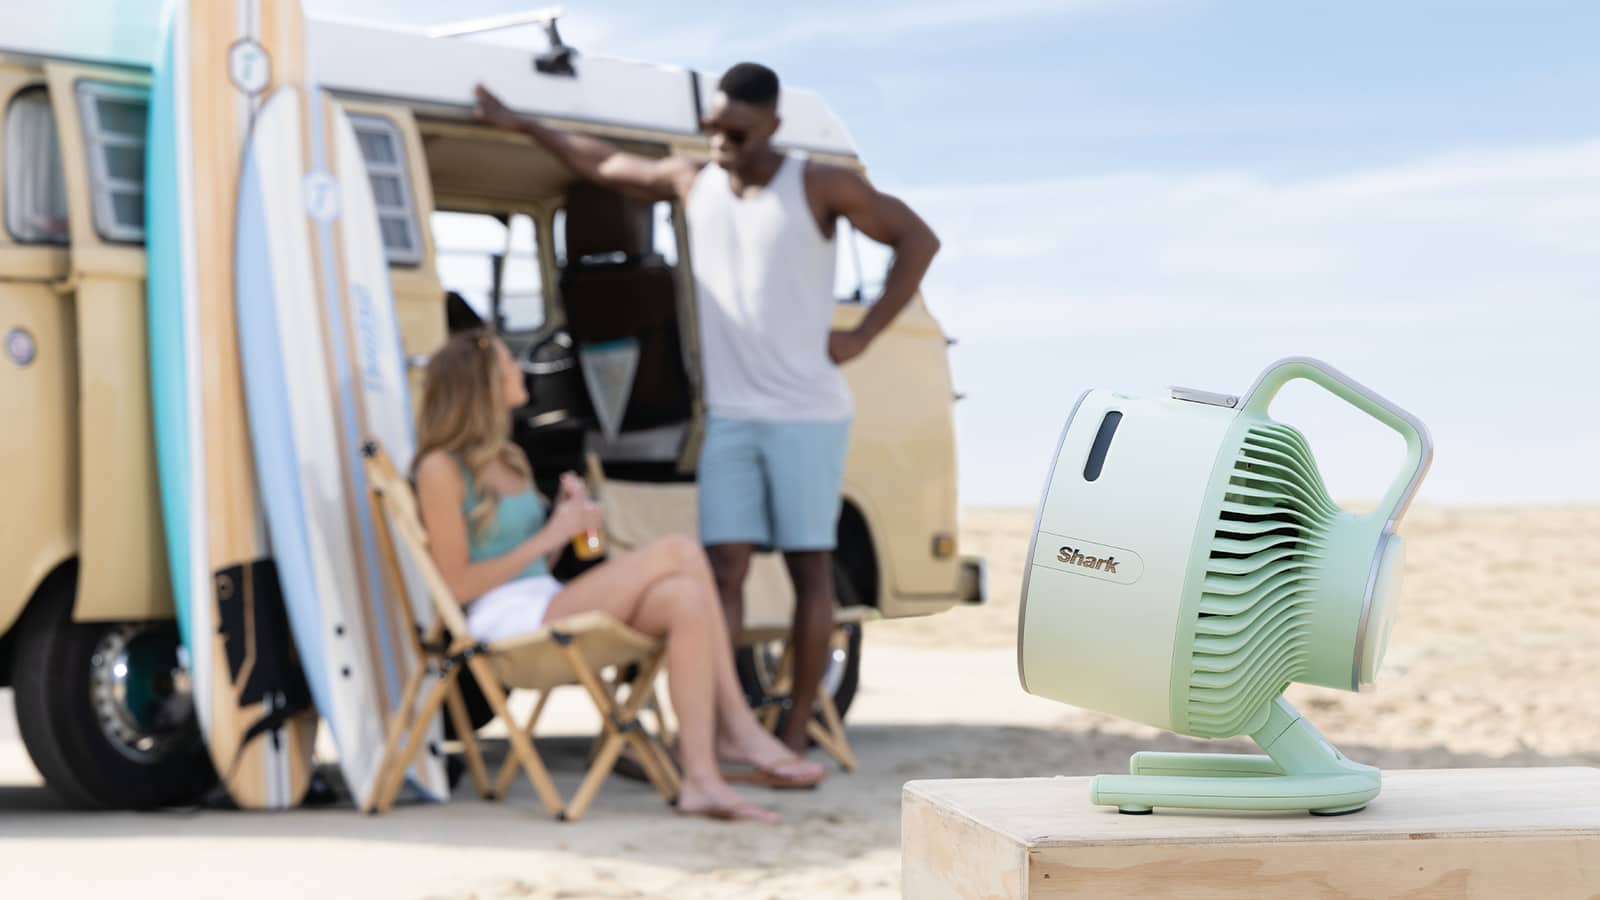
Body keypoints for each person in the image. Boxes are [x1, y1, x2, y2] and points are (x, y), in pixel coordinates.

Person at [473, 62, 940, 753]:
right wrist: (522, 124)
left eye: (735, 130)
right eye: (711, 126)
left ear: (772, 125)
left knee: (810, 569)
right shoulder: (695, 182)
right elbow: (602, 164)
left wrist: (865, 334)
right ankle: (727, 725)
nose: (719, 140)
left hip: (806, 414)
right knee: (722, 569)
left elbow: (918, 239)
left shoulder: (818, 185)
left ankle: (797, 726)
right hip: (730, 418)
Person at [412, 329, 826, 823]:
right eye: (508, 363)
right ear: (479, 383)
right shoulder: (440, 468)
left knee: (685, 597)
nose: (520, 369)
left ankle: (701, 780)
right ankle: (735, 725)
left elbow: (534, 565)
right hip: (503, 624)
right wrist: (550, 535)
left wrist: (567, 525)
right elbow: (456, 586)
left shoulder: (509, 458)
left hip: (544, 599)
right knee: (679, 551)